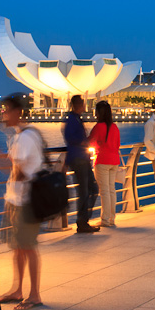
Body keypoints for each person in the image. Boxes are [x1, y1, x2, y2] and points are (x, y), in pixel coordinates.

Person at [0, 93, 45, 310]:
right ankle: (17, 289)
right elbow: (14, 169)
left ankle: (34, 295)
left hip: (25, 201)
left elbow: (16, 172)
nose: (3, 114)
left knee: (28, 247)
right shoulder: (21, 136)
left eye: (6, 110)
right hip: (15, 198)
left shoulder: (25, 138)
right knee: (18, 247)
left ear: (17, 112)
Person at [64, 95, 99, 233]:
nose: (84, 106)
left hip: (82, 158)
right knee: (85, 190)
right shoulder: (72, 119)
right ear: (79, 104)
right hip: (78, 159)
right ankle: (82, 221)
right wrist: (83, 142)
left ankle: (83, 220)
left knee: (92, 189)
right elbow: (69, 137)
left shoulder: (76, 119)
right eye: (83, 104)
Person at [87, 100, 121, 228]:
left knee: (105, 191)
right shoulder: (114, 127)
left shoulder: (98, 127)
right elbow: (117, 144)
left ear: (98, 112)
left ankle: (105, 219)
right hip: (114, 161)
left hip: (102, 160)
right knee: (111, 190)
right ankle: (111, 218)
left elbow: (90, 142)